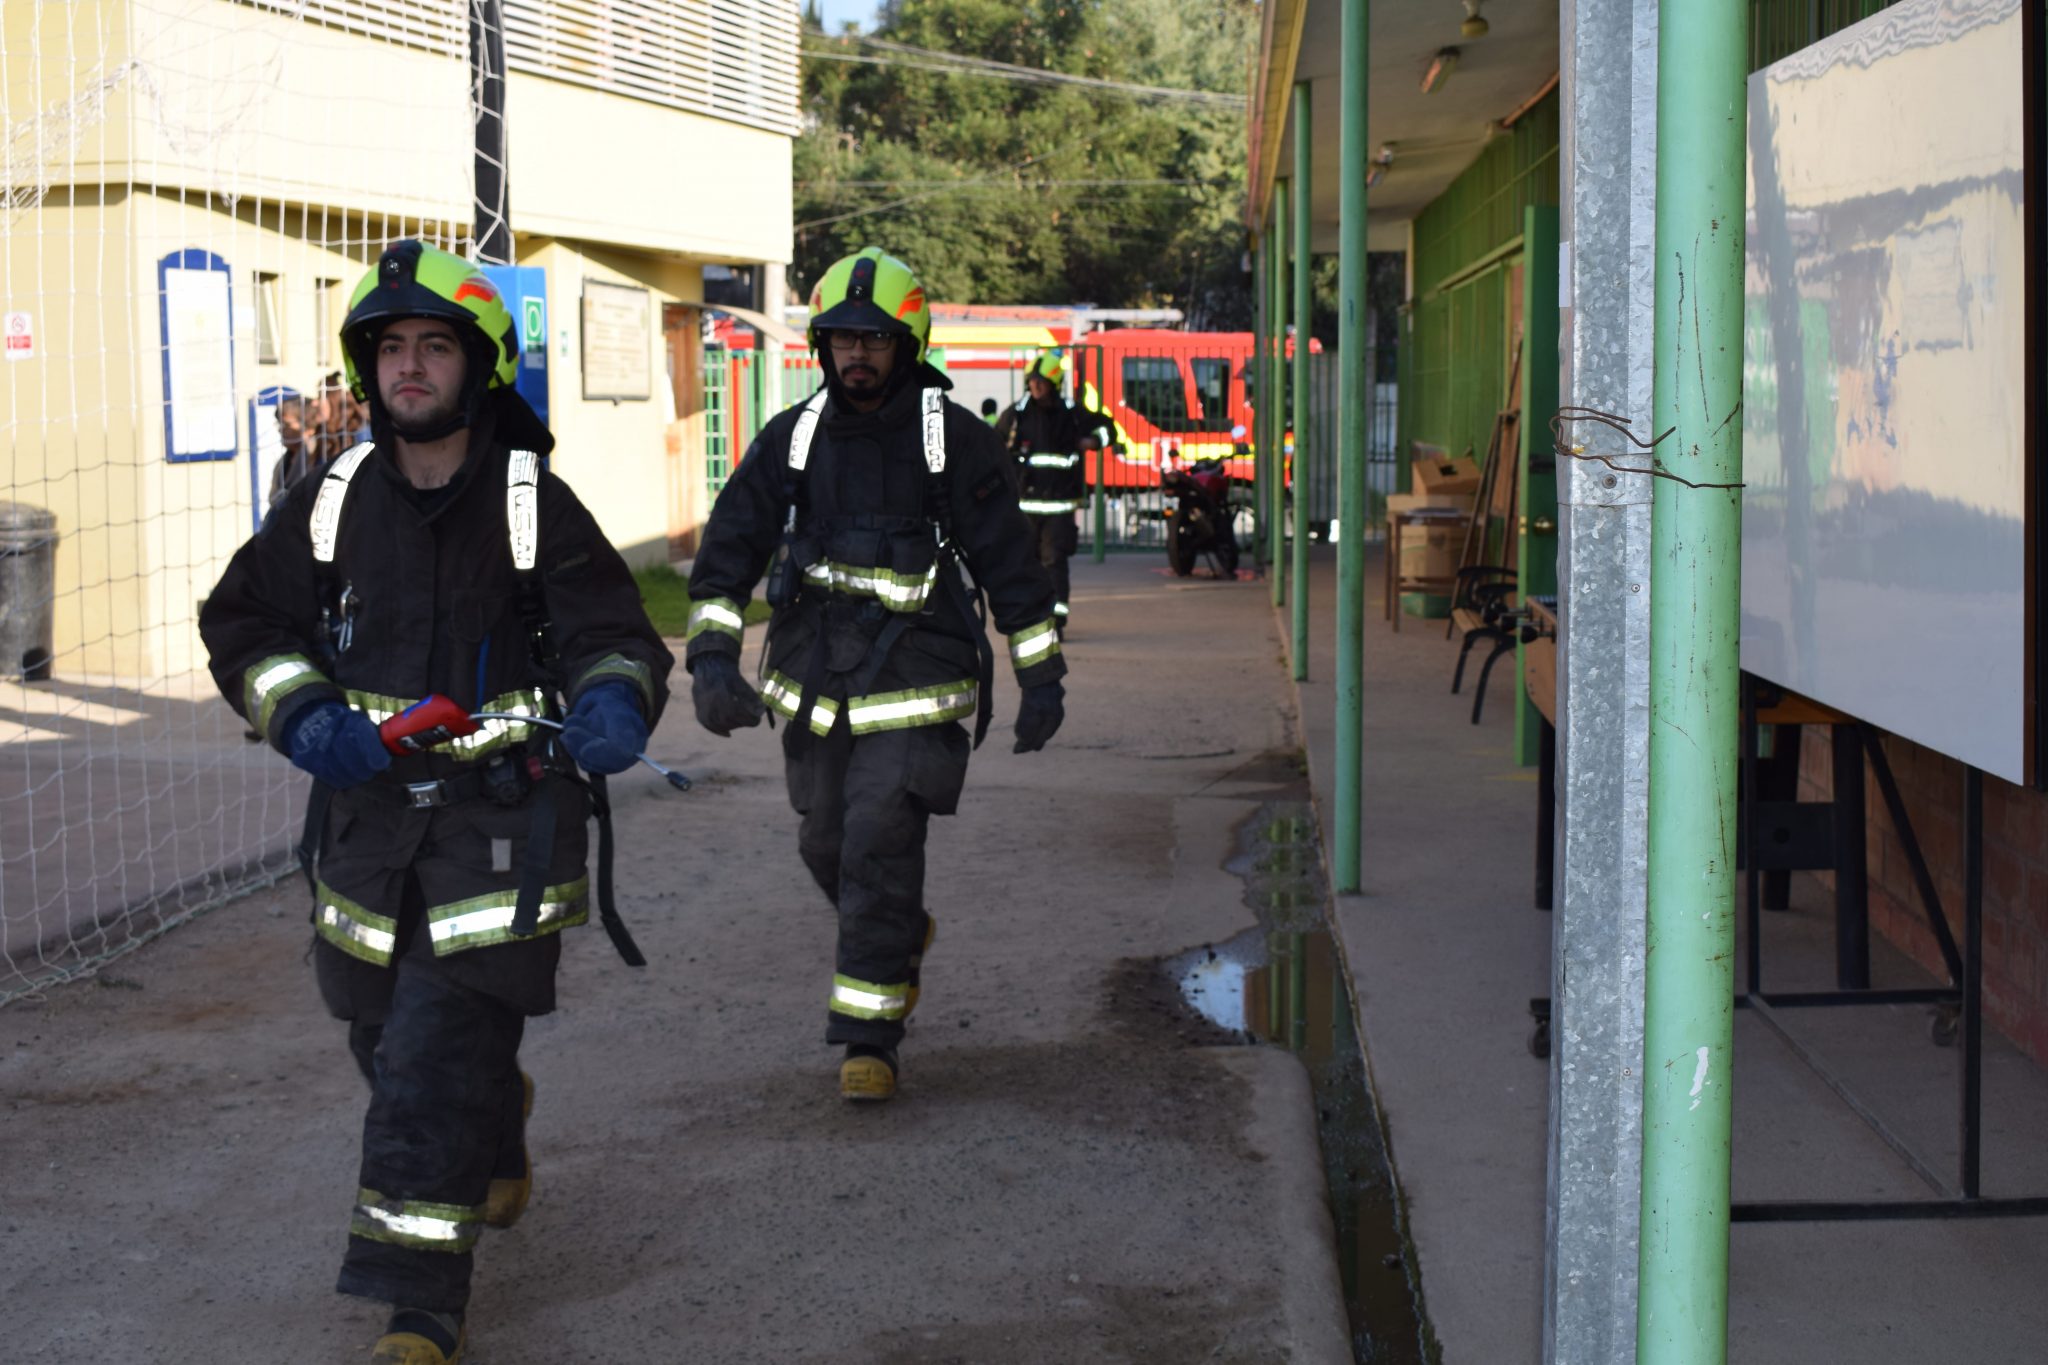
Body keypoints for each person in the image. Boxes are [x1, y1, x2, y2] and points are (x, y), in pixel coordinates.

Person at [199, 240, 672, 1365]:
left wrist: (613, 704)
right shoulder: (326, 503)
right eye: (390, 349)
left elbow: (615, 636)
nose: (409, 369)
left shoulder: (529, 502)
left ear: (479, 366)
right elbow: (245, 624)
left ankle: (421, 1299)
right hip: (362, 835)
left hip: (497, 833)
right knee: (374, 1031)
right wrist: (305, 714)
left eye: (434, 348)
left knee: (427, 1061)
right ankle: (493, 1130)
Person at [684, 246, 1066, 1103]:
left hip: (919, 673)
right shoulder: (795, 436)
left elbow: (1010, 563)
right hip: (818, 675)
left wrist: (1043, 676)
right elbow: (729, 546)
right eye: (842, 339)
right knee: (827, 842)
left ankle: (871, 1037)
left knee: (877, 838)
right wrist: (711, 657)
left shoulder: (953, 441)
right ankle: (897, 933)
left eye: (875, 339)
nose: (857, 354)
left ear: (908, 342)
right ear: (823, 347)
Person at [992, 349, 1108, 633]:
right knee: (1025, 563)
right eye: (1032, 381)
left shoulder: (1071, 412)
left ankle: (1055, 619)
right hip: (1025, 505)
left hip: (1060, 505)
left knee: (1054, 562)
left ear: (1053, 383)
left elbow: (1108, 429)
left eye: (1041, 382)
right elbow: (994, 445)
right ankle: (1032, 617)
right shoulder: (1017, 414)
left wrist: (1093, 440)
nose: (1035, 386)